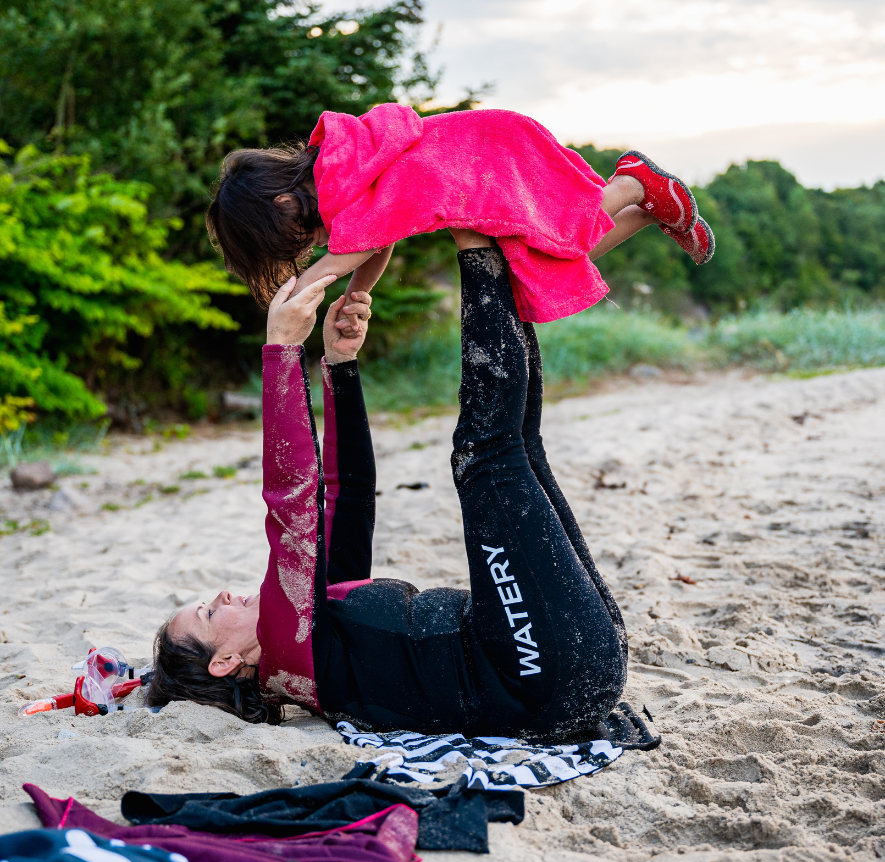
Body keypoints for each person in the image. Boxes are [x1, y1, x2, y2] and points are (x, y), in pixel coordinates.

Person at [148, 231, 628, 740]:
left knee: (519, 447)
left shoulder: (320, 632)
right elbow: (293, 503)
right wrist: (280, 352)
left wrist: (339, 365)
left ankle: (502, 250)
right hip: (543, 673)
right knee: (485, 455)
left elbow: (348, 491)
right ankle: (477, 233)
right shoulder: (288, 656)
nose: (222, 596)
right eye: (207, 612)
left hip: (576, 659)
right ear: (225, 662)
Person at [205, 104, 714, 331]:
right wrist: (361, 291)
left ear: (284, 203)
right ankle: (651, 210)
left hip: (493, 155)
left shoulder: (340, 175)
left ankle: (632, 182)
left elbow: (351, 248)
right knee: (544, 264)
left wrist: (304, 288)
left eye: (297, 239)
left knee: (563, 228)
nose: (311, 247)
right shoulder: (351, 196)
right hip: (490, 154)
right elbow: (377, 243)